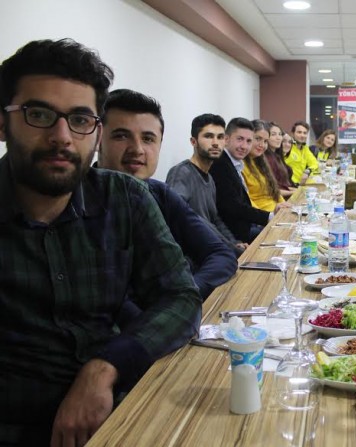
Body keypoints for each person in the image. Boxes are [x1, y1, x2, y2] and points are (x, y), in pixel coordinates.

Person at [0, 38, 200, 446]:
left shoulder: (124, 197)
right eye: (39, 114)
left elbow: (180, 297)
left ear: (95, 131)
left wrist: (105, 367)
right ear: (3, 124)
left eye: (79, 119)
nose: (62, 136)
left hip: (119, 407)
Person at [98, 89, 238, 300]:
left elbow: (221, 254)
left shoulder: (160, 193)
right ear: (97, 139)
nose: (137, 149)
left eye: (148, 138)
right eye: (121, 136)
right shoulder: (78, 202)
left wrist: (185, 297)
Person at [166, 113, 247, 257]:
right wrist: (231, 249)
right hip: (194, 255)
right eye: (208, 136)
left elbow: (215, 220)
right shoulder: (181, 173)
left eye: (220, 137)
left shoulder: (209, 178)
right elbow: (185, 219)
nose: (215, 143)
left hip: (215, 250)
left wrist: (234, 242)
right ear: (193, 141)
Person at [210, 117, 291, 243]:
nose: (244, 146)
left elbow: (273, 192)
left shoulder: (237, 162)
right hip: (238, 235)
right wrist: (269, 216)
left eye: (248, 141)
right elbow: (233, 207)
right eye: (240, 139)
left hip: (249, 225)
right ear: (226, 139)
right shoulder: (220, 164)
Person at [243, 119, 285, 212]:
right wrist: (269, 215)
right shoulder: (240, 165)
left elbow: (275, 193)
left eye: (265, 141)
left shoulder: (261, 162)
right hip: (262, 215)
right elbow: (247, 201)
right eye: (258, 139)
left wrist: (285, 206)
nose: (262, 145)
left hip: (275, 212)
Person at [264, 122, 296, 198]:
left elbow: (283, 186)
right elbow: (271, 190)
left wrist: (298, 190)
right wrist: (294, 192)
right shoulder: (266, 159)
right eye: (273, 134)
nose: (278, 138)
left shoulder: (277, 156)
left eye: (280, 134)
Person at [285, 120, 319, 184]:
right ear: (292, 134)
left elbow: (315, 163)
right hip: (289, 185)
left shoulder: (305, 148)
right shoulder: (287, 147)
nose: (302, 135)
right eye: (299, 132)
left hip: (301, 184)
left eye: (305, 133)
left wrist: (307, 171)